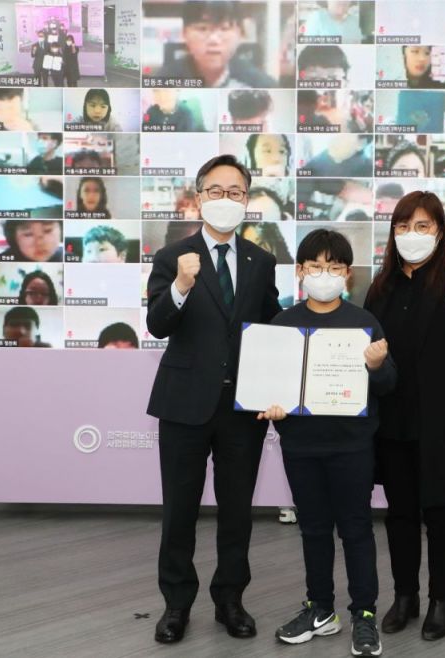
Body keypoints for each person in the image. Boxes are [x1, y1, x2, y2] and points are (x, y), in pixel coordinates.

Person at [145, 154, 281, 645]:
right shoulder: (172, 257)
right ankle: (176, 605)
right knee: (179, 510)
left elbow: (271, 328)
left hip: (243, 408)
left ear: (247, 199)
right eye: (216, 191)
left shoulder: (261, 261)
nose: (226, 199)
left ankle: (230, 600)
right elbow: (157, 324)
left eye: (236, 192)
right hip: (184, 403)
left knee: (237, 511)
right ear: (199, 197)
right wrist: (181, 285)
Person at [258, 229, 396, 657]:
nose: (325, 275)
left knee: (356, 529)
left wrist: (377, 365)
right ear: (300, 271)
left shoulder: (364, 322)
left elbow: (389, 384)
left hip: (352, 446)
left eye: (334, 267)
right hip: (300, 446)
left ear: (347, 274)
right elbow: (268, 386)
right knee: (313, 529)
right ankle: (320, 609)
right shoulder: (282, 324)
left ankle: (364, 614)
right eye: (316, 267)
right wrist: (271, 405)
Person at [363, 191, 445, 642]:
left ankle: (442, 600)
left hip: (440, 418)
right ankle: (405, 597)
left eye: (422, 226)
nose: (410, 234)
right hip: (393, 416)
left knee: (440, 512)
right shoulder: (381, 287)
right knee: (399, 513)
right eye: (402, 226)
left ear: (440, 232)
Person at [157, 2, 278, 88]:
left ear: (241, 34)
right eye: (202, 28)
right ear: (184, 34)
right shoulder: (161, 83)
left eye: (224, 28)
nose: (213, 40)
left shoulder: (262, 86)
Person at [305, 134, 372, 177]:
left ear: (360, 145)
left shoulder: (368, 170)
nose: (333, 139)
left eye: (343, 137)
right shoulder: (323, 157)